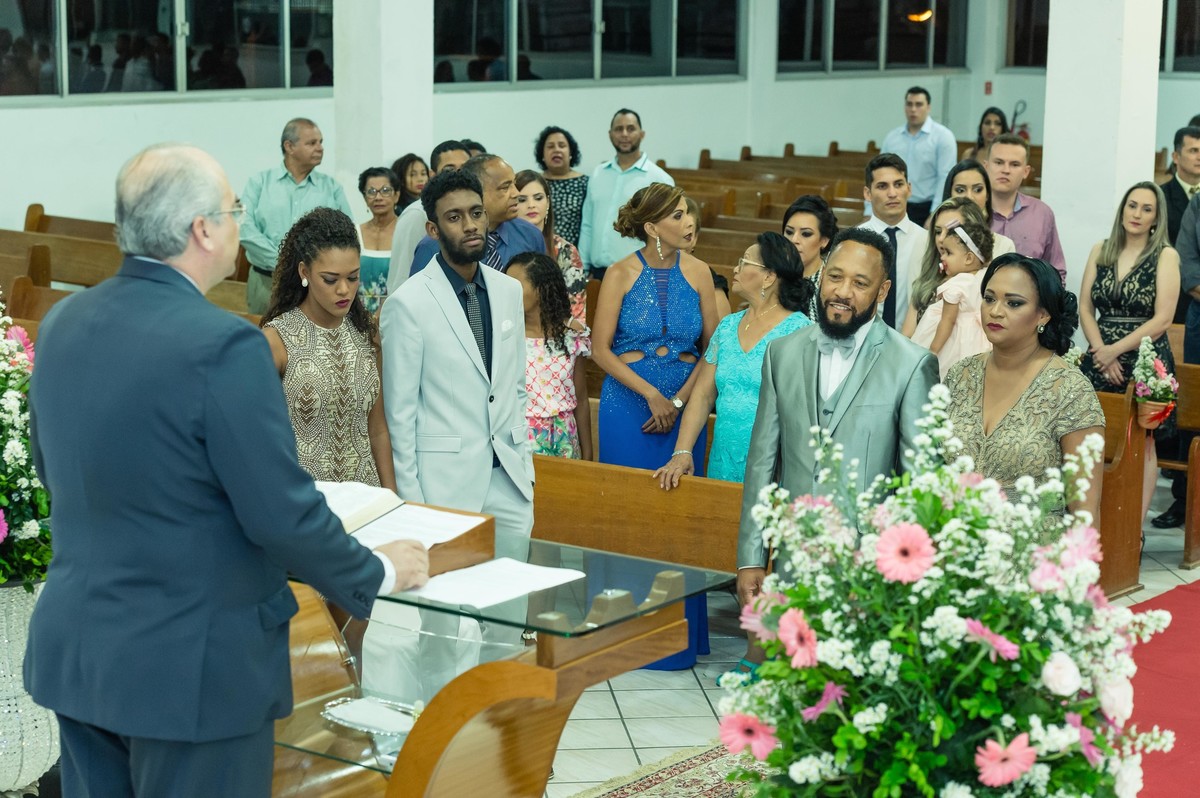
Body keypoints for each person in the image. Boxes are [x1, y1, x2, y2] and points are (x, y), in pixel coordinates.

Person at [24, 144, 428, 797]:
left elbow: (55, 471)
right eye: (234, 210)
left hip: (82, 649)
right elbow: (278, 511)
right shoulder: (224, 345)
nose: (240, 224)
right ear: (202, 229)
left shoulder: (64, 321)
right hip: (192, 664)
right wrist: (377, 570)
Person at [737, 227, 939, 632]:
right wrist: (751, 557)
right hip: (793, 558)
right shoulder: (781, 353)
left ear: (882, 291)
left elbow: (920, 483)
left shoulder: (912, 364)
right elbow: (762, 462)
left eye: (860, 283)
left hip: (869, 567)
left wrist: (905, 574)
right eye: (835, 277)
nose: (842, 292)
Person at [380, 167, 534, 691]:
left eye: (475, 213)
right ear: (433, 229)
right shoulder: (408, 303)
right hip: (443, 485)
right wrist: (414, 505)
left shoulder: (508, 291)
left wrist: (523, 460)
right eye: (454, 217)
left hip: (508, 475)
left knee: (508, 616)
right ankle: (439, 721)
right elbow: (400, 415)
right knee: (445, 621)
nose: (469, 225)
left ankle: (499, 716)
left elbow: (513, 386)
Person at [946, 254, 1105, 527]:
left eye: (1014, 303)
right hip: (956, 538)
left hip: (1032, 543)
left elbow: (1085, 511)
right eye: (989, 299)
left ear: (1043, 314)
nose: (996, 311)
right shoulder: (961, 374)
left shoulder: (1069, 390)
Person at [655, 231, 812, 487]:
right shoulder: (727, 327)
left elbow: (802, 411)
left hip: (774, 466)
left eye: (744, 262)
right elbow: (703, 396)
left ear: (769, 276)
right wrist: (682, 451)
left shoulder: (800, 331)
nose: (736, 269)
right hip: (723, 458)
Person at [260, 206, 395, 489]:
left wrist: (392, 497)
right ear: (304, 272)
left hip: (366, 498)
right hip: (306, 498)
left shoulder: (366, 335)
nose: (344, 289)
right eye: (330, 280)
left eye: (353, 277)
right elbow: (257, 436)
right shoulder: (276, 340)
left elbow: (377, 429)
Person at [591, 182, 716, 472]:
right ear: (652, 228)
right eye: (678, 216)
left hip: (685, 405)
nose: (689, 222)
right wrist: (652, 395)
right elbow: (599, 350)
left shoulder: (701, 272)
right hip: (627, 401)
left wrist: (679, 402)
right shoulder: (619, 273)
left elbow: (713, 348)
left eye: (687, 213)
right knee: (624, 489)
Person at [1079, 183, 1179, 520]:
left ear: (1156, 218)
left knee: (1143, 440)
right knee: (1090, 435)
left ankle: (1133, 529)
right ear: (1122, 209)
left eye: (1146, 209)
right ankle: (1093, 519)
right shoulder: (1101, 249)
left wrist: (1115, 351)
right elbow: (1085, 307)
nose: (1137, 214)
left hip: (1145, 358)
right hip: (1099, 354)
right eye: (1132, 205)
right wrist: (1100, 351)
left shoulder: (1165, 255)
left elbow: (1163, 318)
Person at [240, 118, 353, 314]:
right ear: (289, 146)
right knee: (263, 333)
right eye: (312, 143)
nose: (320, 148)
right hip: (265, 283)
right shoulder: (259, 183)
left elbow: (347, 233)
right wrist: (284, 262)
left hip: (315, 287)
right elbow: (243, 227)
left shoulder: (331, 188)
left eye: (321, 142)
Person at [1154, 127, 1200, 529]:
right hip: (1196, 314)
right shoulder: (1196, 203)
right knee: (1193, 409)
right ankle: (1184, 500)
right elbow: (1187, 259)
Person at [506, 251, 593, 460]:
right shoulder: (506, 333)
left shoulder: (572, 335)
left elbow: (581, 399)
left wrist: (588, 454)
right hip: (520, 437)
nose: (507, 292)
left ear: (541, 289)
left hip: (564, 438)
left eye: (515, 285)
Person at [409, 154, 545, 278]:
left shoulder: (530, 235)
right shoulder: (432, 246)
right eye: (505, 187)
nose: (516, 193)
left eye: (514, 184)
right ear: (478, 191)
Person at [578, 109, 675, 279]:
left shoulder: (660, 179)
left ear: (642, 134)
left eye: (630, 129)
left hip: (639, 274)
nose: (624, 134)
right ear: (610, 134)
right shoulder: (599, 173)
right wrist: (583, 268)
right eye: (618, 129)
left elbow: (667, 232)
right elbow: (587, 224)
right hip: (597, 273)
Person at [911, 217, 993, 378]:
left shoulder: (956, 285)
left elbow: (948, 321)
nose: (942, 258)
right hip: (979, 340)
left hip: (954, 342)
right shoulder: (987, 277)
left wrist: (933, 351)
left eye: (948, 253)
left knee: (945, 375)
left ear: (969, 258)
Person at [387, 139, 471, 295]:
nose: (458, 175)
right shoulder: (417, 214)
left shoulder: (475, 212)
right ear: (433, 175)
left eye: (465, 168)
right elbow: (401, 277)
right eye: (449, 169)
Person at [857, 153, 928, 331]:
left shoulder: (927, 240)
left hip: (914, 338)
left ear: (909, 189)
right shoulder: (855, 241)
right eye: (882, 186)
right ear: (867, 193)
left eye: (898, 184)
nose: (892, 193)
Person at [905, 197, 992, 338]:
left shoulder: (987, 284)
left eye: (952, 231)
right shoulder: (927, 281)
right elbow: (907, 336)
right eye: (938, 231)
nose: (941, 238)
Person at [985, 133, 1067, 281]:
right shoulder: (970, 213)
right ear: (986, 166)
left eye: (1014, 164)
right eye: (999, 162)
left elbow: (1056, 272)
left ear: (1026, 171)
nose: (1006, 170)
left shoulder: (1042, 214)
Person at [513, 169, 586, 321]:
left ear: (547, 202)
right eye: (522, 200)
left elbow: (577, 313)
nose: (531, 205)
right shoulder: (502, 247)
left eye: (538, 198)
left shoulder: (566, 251)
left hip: (560, 330)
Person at [880, 86, 958, 226]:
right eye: (909, 104)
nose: (913, 109)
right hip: (896, 204)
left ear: (928, 107)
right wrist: (870, 211)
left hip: (927, 207)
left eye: (919, 104)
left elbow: (945, 177)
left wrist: (935, 213)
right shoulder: (892, 138)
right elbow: (880, 175)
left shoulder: (943, 136)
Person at [1160, 126, 1200, 322]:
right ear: (1176, 157)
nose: (1199, 157)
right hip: (1173, 297)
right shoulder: (1160, 198)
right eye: (1193, 151)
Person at [940, 159, 1016, 256]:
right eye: (960, 190)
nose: (969, 197)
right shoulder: (937, 241)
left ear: (987, 195)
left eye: (978, 190)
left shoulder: (1004, 246)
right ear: (949, 194)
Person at [782, 194, 839, 320]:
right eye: (789, 232)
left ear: (824, 241)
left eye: (806, 234)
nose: (794, 240)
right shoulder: (773, 276)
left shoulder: (832, 282)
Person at [354, 166, 399, 315]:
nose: (378, 197)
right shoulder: (354, 233)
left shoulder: (404, 232)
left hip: (395, 313)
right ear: (364, 198)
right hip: (358, 314)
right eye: (371, 192)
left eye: (385, 190)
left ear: (396, 195)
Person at [536, 126, 588, 247]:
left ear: (571, 152)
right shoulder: (534, 183)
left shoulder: (585, 183)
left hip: (575, 253)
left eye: (562, 145)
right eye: (550, 146)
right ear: (542, 154)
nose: (556, 150)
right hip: (538, 249)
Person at [682, 197, 732, 320]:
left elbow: (720, 331)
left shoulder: (711, 282)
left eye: (687, 235)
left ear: (695, 238)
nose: (678, 241)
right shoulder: (640, 271)